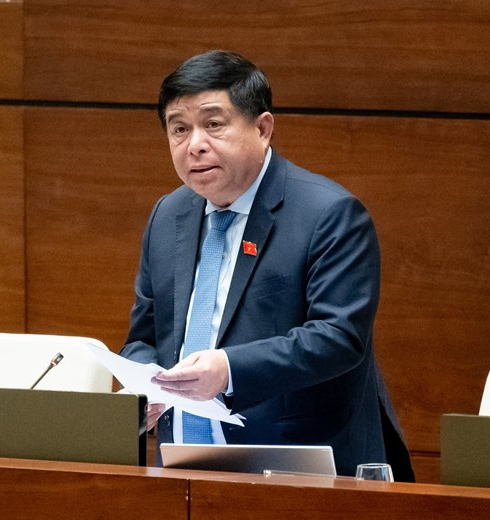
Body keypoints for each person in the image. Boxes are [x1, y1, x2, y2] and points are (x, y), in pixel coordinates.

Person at [119, 50, 414, 481]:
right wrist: (147, 381)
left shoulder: (328, 214)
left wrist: (228, 370)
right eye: (178, 129)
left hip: (300, 471)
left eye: (213, 124)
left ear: (262, 128)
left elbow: (339, 337)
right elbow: (145, 335)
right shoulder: (169, 215)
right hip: (181, 469)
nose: (194, 143)